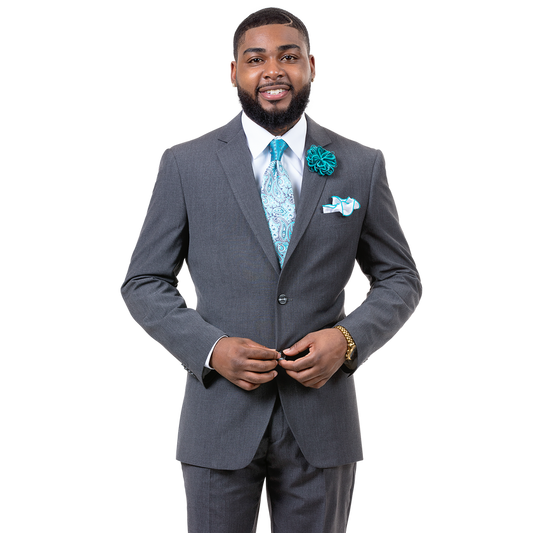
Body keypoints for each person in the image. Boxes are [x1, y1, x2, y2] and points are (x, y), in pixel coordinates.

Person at [118, 5, 424, 532]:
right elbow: (142, 282)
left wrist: (348, 341)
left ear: (314, 66)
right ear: (232, 72)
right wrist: (211, 350)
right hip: (218, 417)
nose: (273, 71)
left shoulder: (360, 162)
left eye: (289, 56)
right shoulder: (184, 163)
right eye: (255, 59)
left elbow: (402, 278)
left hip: (324, 419)